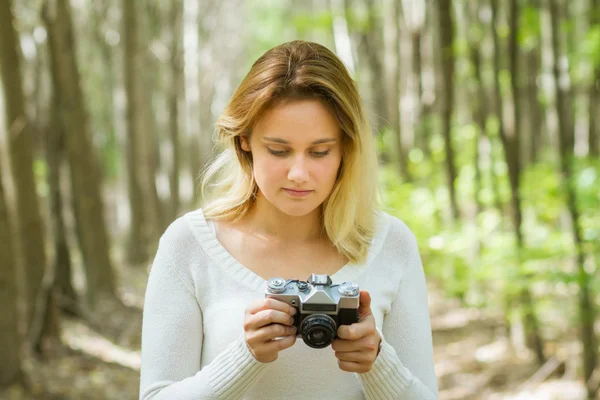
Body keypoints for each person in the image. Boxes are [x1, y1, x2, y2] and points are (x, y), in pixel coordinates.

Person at [139, 40, 438, 400]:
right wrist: (244, 357)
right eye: (279, 150)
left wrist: (377, 361)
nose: (298, 173)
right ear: (245, 140)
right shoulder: (190, 244)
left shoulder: (391, 244)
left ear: (347, 148)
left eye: (320, 152)